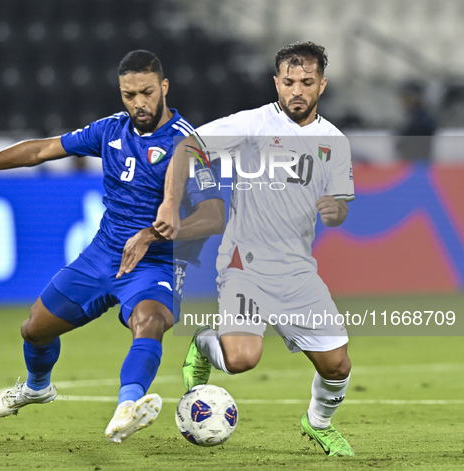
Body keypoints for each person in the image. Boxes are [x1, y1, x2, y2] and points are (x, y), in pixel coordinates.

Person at [0, 50, 225, 444]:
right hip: (102, 255)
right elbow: (40, 150)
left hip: (156, 264)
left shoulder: (188, 144)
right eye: (128, 94)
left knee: (149, 321)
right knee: (34, 330)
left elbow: (215, 216)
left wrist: (154, 233)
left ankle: (127, 407)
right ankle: (36, 387)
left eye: (146, 92)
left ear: (164, 87)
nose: (138, 103)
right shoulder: (111, 130)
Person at [153, 42, 356, 457]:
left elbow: (341, 206)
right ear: (276, 82)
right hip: (244, 264)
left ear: (322, 85)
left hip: (299, 272)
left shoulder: (334, 141)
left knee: (337, 367)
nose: (296, 90)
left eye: (306, 82)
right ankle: (205, 344)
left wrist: (336, 210)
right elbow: (188, 146)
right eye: (289, 82)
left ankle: (318, 423)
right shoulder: (252, 124)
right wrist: (172, 201)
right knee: (243, 359)